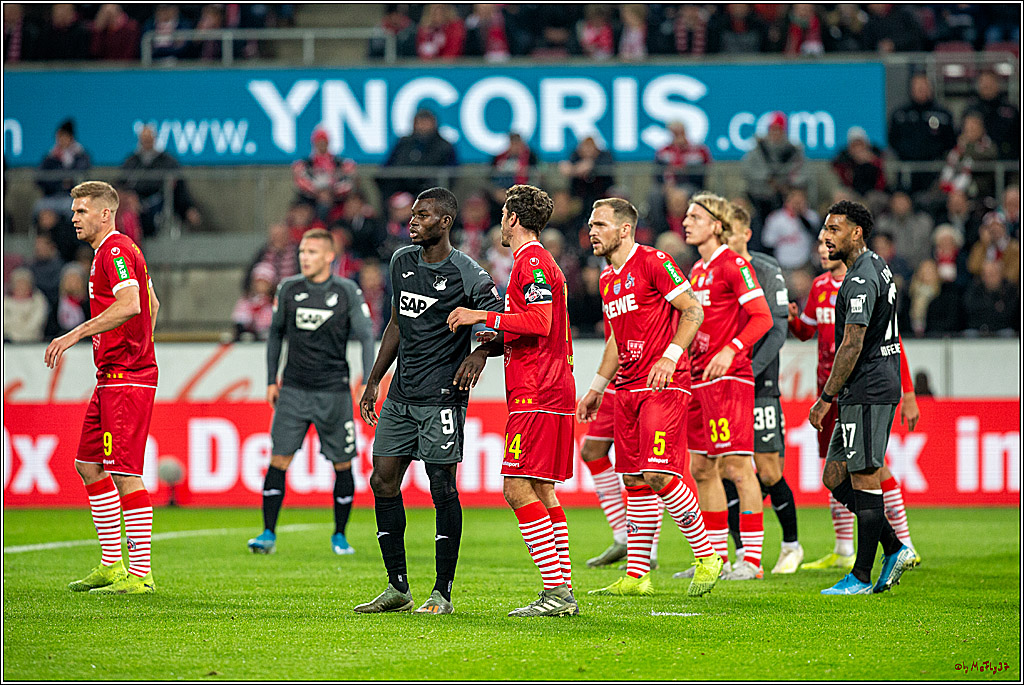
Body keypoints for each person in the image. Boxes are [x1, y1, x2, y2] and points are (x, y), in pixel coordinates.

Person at [356, 187, 503, 615]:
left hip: (443, 396)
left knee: (442, 489)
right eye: (412, 215)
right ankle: (397, 587)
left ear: (445, 222)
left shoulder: (468, 273)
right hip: (401, 393)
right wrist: (373, 380)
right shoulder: (401, 261)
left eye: (422, 215)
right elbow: (396, 326)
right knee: (382, 480)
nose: (412, 221)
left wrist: (479, 352)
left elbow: (500, 324)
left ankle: (442, 592)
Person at [576, 197, 722, 598]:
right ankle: (638, 575)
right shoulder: (607, 279)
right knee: (634, 479)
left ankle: (708, 556)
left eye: (601, 224)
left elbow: (693, 311)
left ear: (625, 229)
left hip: (664, 385)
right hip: (626, 388)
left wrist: (670, 357)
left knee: (659, 474)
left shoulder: (654, 261)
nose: (592, 230)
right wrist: (595, 389)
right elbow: (614, 339)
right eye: (591, 224)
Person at [447, 184, 578, 617]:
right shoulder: (535, 262)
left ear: (514, 219)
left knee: (515, 487)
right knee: (542, 487)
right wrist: (496, 339)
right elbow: (536, 326)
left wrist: (478, 316)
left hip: (538, 390)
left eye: (503, 214)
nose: (499, 222)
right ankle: (562, 592)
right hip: (549, 385)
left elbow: (539, 322)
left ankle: (555, 592)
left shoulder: (534, 259)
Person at [45, 181, 160, 594]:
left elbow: (131, 304)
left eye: (81, 211)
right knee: (88, 466)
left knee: (125, 472)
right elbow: (151, 304)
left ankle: (140, 575)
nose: (73, 217)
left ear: (105, 213)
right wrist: (139, 339)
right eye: (74, 211)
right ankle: (112, 566)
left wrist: (74, 334)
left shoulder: (113, 250)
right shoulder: (115, 252)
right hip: (112, 375)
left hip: (127, 377)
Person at [791, 229, 922, 569]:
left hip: (856, 387)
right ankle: (844, 547)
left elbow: (891, 342)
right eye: (819, 243)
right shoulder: (819, 287)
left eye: (828, 240)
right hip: (833, 389)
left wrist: (909, 393)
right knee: (835, 471)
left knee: (871, 467)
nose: (823, 248)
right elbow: (807, 330)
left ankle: (902, 543)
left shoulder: (861, 281)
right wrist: (792, 319)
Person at [246, 228, 374, 556]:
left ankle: (340, 536)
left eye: (312, 252)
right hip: (294, 390)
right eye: (302, 251)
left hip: (334, 393)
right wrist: (271, 380)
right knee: (279, 459)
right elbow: (275, 335)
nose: (305, 257)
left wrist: (367, 382)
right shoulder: (288, 289)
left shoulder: (346, 291)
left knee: (343, 464)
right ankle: (267, 534)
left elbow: (366, 336)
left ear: (330, 257)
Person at [682, 191, 773, 580]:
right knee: (702, 467)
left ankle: (750, 561)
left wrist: (731, 350)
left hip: (729, 377)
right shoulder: (696, 270)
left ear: (716, 226)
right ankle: (715, 558)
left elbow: (762, 317)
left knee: (737, 467)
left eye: (696, 217)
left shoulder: (733, 264)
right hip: (698, 379)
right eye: (686, 216)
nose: (687, 222)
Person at [722, 203, 803, 574]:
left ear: (746, 234)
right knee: (726, 468)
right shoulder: (710, 271)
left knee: (768, 469)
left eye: (731, 230)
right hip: (722, 383)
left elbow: (777, 330)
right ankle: (739, 555)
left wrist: (749, 371)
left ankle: (791, 546)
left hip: (759, 382)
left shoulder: (767, 270)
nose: (725, 237)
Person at [121, 125, 202, 236]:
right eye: (144, 139)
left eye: (149, 139)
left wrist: (188, 208)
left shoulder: (168, 161)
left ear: (155, 139)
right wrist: (128, 197)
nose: (147, 142)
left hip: (160, 203)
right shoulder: (131, 162)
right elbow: (120, 185)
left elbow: (180, 188)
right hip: (136, 204)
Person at [888, 73, 957, 195]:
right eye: (917, 86)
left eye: (924, 85)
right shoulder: (900, 114)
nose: (921, 89)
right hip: (907, 171)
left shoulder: (943, 114)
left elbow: (950, 141)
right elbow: (893, 140)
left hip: (935, 171)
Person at [743, 112, 808, 225]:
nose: (775, 133)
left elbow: (801, 173)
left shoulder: (793, 151)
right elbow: (748, 170)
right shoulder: (759, 150)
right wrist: (767, 179)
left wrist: (786, 184)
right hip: (759, 195)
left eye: (778, 130)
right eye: (773, 129)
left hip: (785, 195)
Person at [379, 109, 457, 202]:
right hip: (402, 186)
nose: (423, 126)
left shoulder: (444, 146)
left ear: (434, 124)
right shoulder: (404, 143)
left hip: (430, 188)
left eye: (426, 123)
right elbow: (389, 166)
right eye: (420, 122)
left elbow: (453, 171)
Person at [291, 128, 356, 224]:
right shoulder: (307, 163)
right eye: (319, 142)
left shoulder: (339, 162)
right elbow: (300, 179)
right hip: (311, 201)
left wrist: (331, 192)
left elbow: (350, 178)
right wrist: (319, 192)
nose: (321, 144)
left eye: (323, 142)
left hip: (336, 200)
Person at [3, 268, 48, 342]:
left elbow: (36, 324)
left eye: (24, 283)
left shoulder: (39, 302)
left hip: (33, 341)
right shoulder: (5, 302)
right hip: (8, 341)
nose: (21, 286)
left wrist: (17, 326)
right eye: (18, 283)